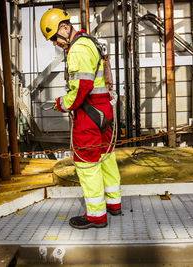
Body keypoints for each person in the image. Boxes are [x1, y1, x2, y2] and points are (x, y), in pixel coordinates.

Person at [40, 8, 122, 229]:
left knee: (87, 163)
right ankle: (114, 204)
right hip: (104, 111)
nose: (55, 44)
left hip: (89, 115)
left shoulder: (77, 50)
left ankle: (96, 216)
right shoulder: (92, 43)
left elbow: (80, 90)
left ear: (64, 27)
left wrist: (61, 103)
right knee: (106, 156)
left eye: (54, 38)